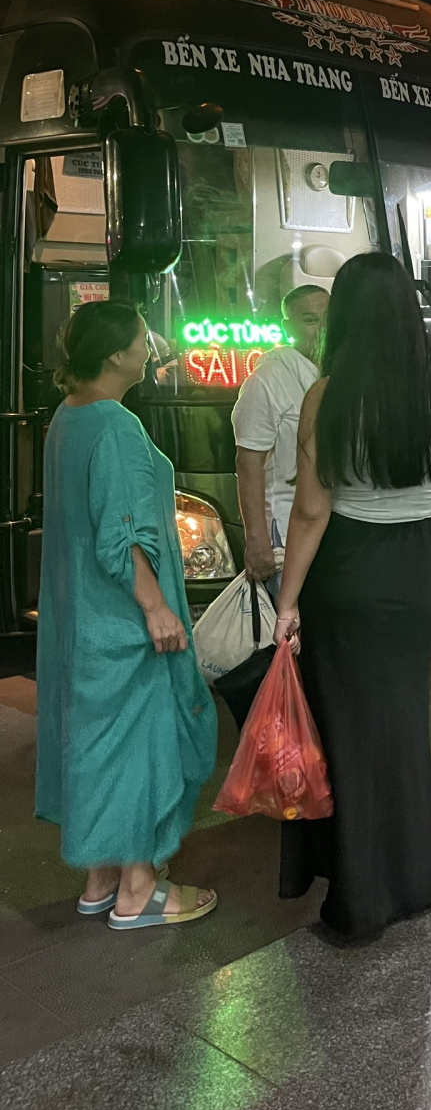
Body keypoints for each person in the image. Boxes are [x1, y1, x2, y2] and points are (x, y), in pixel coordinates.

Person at [273, 253, 431, 940]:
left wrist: (287, 599)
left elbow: (310, 510)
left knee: (349, 732)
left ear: (345, 314)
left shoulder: (327, 394)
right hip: (416, 570)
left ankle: (360, 899)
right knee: (403, 724)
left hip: (349, 570)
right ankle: (419, 881)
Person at [36, 301, 217, 927]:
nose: (151, 346)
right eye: (143, 338)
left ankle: (101, 879)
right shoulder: (113, 424)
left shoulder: (69, 415)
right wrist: (157, 606)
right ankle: (139, 888)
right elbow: (121, 532)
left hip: (79, 619)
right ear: (116, 354)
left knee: (94, 743)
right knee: (136, 744)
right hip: (120, 621)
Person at [233, 285, 329, 586]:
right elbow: (249, 463)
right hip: (285, 528)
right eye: (311, 320)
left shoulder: (338, 373)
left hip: (330, 526)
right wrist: (257, 540)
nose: (322, 329)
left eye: (328, 319)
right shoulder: (267, 380)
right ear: (289, 327)